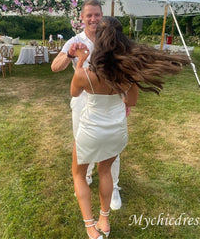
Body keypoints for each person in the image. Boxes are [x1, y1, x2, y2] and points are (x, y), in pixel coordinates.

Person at [70, 16, 189, 239]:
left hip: (90, 131)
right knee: (105, 171)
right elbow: (131, 102)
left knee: (79, 174)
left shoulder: (84, 74)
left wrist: (80, 61)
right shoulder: (128, 73)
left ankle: (90, 228)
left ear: (99, 39)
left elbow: (74, 93)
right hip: (115, 130)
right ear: (121, 39)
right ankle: (104, 221)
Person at [51, 0, 122, 211]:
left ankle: (114, 186)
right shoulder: (75, 40)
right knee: (81, 142)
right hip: (82, 101)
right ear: (81, 18)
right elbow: (55, 67)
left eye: (97, 15)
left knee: (112, 146)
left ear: (102, 16)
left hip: (109, 102)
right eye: (89, 15)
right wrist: (71, 54)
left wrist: (125, 97)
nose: (93, 19)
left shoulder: (112, 39)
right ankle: (86, 175)